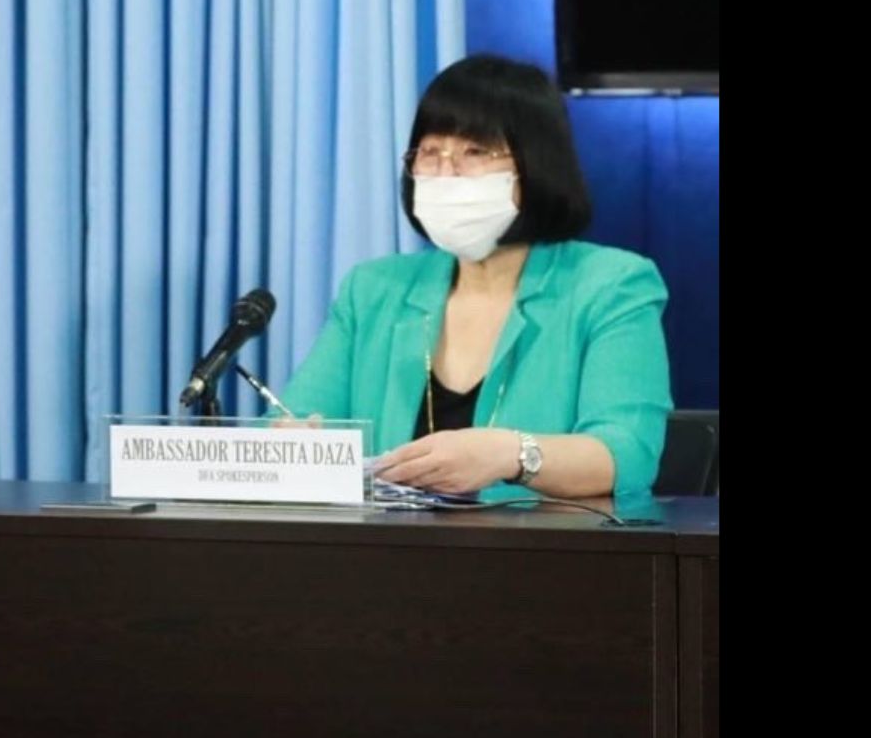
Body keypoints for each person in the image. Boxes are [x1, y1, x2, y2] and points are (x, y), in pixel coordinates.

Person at [276, 54, 672, 498]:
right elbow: (293, 422)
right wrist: (293, 446)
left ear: (534, 165)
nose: (445, 173)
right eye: (430, 152)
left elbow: (627, 456)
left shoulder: (611, 285)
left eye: (474, 152)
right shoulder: (373, 289)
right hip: (379, 554)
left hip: (537, 557)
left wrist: (510, 456)